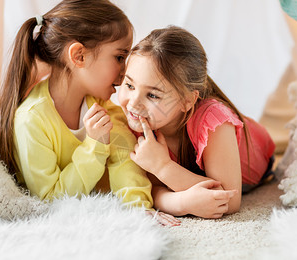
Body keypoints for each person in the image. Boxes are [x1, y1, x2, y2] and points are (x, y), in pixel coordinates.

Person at [0, 0, 167, 220]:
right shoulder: (32, 120)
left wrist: (139, 210)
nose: (125, 71)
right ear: (79, 56)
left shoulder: (102, 106)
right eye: (119, 57)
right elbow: (50, 200)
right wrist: (95, 146)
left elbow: (125, 159)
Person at [118, 26, 276, 219]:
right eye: (129, 85)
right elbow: (151, 187)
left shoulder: (214, 121)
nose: (133, 103)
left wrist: (162, 167)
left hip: (259, 161)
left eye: (152, 95)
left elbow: (228, 199)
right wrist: (181, 203)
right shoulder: (137, 123)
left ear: (187, 101)